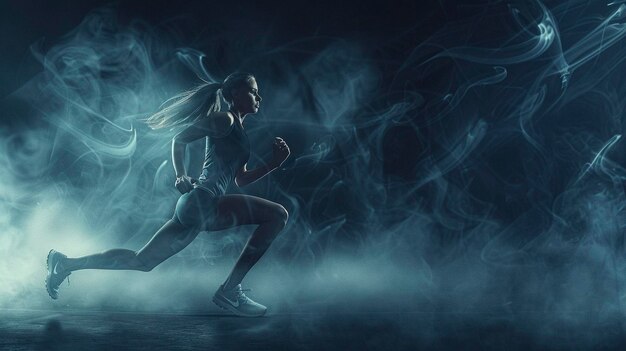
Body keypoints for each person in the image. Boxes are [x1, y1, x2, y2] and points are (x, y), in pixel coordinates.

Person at [45, 72, 290, 317]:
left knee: (142, 261)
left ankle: (66, 263)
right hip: (203, 201)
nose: (259, 96)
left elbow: (241, 179)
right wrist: (181, 174)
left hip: (196, 207)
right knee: (277, 215)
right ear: (235, 93)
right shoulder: (224, 119)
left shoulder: (237, 128)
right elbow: (180, 139)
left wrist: (275, 164)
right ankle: (229, 289)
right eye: (252, 90)